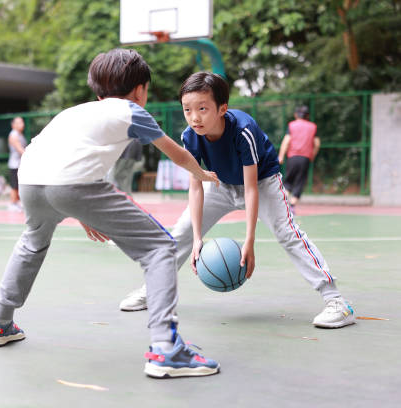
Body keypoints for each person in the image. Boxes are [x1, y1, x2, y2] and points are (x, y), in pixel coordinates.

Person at [0, 49, 222, 378]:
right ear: (140, 90)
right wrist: (204, 174)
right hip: (70, 184)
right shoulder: (132, 111)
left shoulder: (74, 112)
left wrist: (78, 210)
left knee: (32, 244)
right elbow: (177, 154)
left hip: (31, 181)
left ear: (98, 92)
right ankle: (166, 349)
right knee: (160, 247)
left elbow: (61, 160)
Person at [119, 72, 355, 330]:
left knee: (288, 233)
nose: (194, 117)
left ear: (222, 108)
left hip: (262, 183)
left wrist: (249, 240)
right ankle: (153, 290)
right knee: (182, 232)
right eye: (187, 109)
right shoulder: (190, 136)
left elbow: (251, 188)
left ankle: (337, 302)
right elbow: (195, 186)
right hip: (219, 184)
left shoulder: (243, 130)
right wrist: (198, 237)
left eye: (202, 108)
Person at [278, 106, 321, 209]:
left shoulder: (292, 125)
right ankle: (292, 205)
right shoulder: (312, 126)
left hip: (292, 157)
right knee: (300, 181)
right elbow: (317, 144)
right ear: (308, 116)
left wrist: (281, 156)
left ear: (296, 115)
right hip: (305, 158)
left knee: (288, 181)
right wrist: (312, 156)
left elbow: (286, 141)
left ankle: (283, 205)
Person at [7, 116, 27, 212]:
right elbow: (20, 149)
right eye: (19, 123)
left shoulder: (20, 134)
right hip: (15, 164)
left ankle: (18, 202)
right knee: (14, 185)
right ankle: (13, 204)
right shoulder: (13, 135)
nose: (22, 124)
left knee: (20, 184)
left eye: (22, 122)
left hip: (21, 164)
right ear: (13, 125)